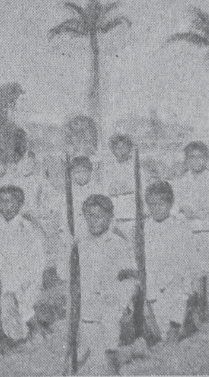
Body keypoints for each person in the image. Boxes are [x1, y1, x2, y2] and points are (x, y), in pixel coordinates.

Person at [73, 194, 139, 374]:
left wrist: (121, 301)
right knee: (87, 353)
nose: (93, 221)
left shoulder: (118, 244)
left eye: (98, 216)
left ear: (110, 217)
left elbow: (130, 278)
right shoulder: (82, 245)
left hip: (113, 304)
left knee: (108, 338)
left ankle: (114, 360)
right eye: (89, 216)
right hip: (89, 307)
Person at [142, 181, 195, 344]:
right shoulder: (144, 228)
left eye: (161, 204)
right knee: (157, 335)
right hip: (153, 285)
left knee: (171, 334)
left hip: (174, 284)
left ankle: (178, 323)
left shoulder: (180, 227)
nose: (156, 208)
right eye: (152, 204)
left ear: (170, 203)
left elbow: (186, 262)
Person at [0, 184, 45, 343]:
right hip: (3, 274)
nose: (5, 206)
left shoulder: (26, 226)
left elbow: (36, 257)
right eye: (2, 201)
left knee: (21, 300)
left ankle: (36, 329)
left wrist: (28, 278)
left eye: (10, 201)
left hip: (25, 276)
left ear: (20, 204)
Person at [175, 140, 209, 319]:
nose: (196, 161)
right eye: (192, 157)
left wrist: (201, 212)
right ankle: (198, 311)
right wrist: (185, 210)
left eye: (200, 157)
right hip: (189, 231)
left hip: (206, 231)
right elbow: (177, 206)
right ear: (187, 160)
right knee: (194, 272)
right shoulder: (181, 181)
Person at [102, 134, 138, 239]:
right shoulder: (109, 168)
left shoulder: (135, 166)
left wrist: (123, 188)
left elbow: (138, 188)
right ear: (113, 150)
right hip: (115, 216)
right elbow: (107, 190)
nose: (121, 151)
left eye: (124, 148)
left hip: (132, 215)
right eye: (117, 148)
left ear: (129, 149)